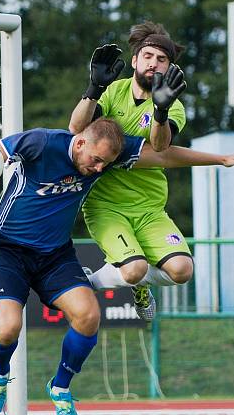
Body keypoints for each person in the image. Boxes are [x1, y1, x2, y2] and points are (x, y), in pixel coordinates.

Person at [0, 118, 234, 415]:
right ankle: (0, 374)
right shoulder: (42, 142)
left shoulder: (110, 148)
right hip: (8, 250)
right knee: (8, 328)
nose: (100, 169)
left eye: (107, 163)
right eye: (97, 160)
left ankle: (60, 388)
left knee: (89, 317)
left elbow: (164, 155)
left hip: (55, 255)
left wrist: (220, 159)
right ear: (80, 143)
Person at [69, 21, 192, 321]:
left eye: (162, 59)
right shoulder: (113, 91)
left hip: (149, 209)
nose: (154, 63)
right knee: (134, 269)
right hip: (107, 206)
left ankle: (136, 288)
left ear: (169, 68)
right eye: (148, 56)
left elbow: (160, 146)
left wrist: (160, 112)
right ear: (135, 60)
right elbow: (76, 128)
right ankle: (105, 282)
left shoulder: (174, 107)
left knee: (182, 270)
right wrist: (93, 89)